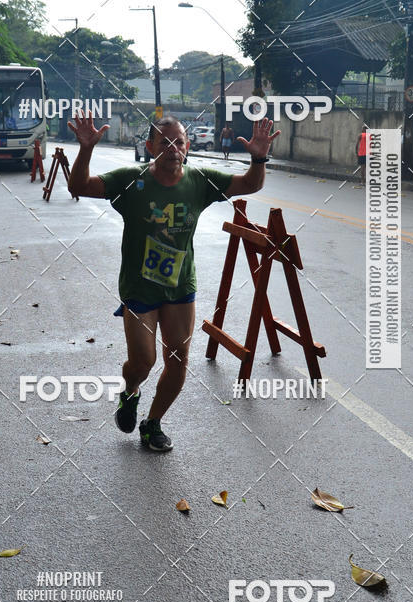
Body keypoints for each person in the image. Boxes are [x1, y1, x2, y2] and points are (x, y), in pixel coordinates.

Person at [67, 112, 279, 452]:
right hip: (139, 289)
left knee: (178, 359)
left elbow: (251, 184)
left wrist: (258, 157)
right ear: (150, 146)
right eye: (163, 142)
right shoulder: (129, 181)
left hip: (180, 289)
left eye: (178, 141)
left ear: (187, 147)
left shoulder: (199, 181)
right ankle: (130, 392)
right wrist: (86, 149)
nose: (171, 148)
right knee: (142, 362)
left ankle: (153, 423)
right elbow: (78, 186)